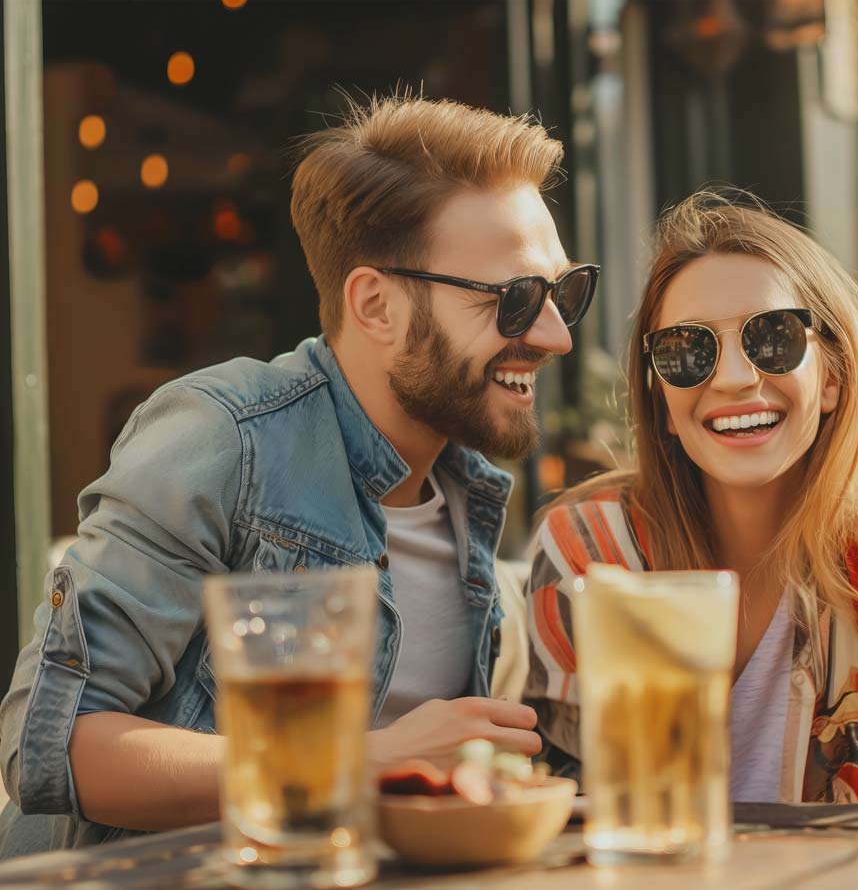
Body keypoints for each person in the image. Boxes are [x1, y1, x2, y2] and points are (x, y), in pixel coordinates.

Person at [0, 94, 597, 854]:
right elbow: (53, 746)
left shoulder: (466, 483)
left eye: (564, 294)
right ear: (376, 304)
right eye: (515, 300)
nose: (555, 335)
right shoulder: (224, 439)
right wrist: (361, 761)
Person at [523, 190, 858, 804]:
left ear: (832, 377)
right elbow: (574, 805)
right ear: (661, 400)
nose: (733, 378)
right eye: (687, 351)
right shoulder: (591, 556)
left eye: (771, 336)